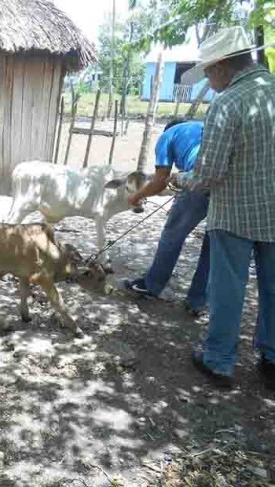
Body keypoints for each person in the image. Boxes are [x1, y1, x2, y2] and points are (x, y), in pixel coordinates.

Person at [172, 27, 275, 390]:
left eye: (209, 73)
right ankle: (272, 358)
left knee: (228, 288)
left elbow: (209, 174)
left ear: (223, 66)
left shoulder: (227, 103)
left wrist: (181, 180)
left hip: (236, 214)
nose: (210, 81)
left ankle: (218, 361)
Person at [125, 119, 209, 316]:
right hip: (226, 184)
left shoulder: (167, 136)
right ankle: (197, 301)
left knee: (172, 235)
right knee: (212, 247)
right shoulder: (201, 126)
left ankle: (152, 286)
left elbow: (160, 182)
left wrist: (137, 196)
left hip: (198, 179)